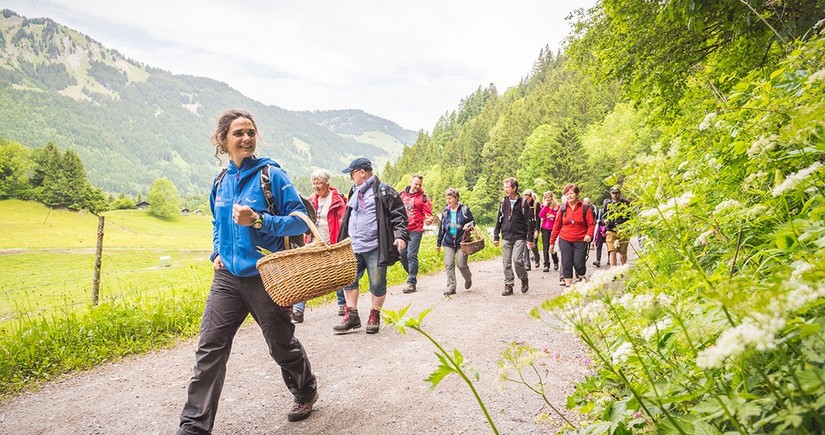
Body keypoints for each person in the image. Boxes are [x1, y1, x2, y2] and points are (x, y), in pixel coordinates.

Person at [176, 109, 318, 435]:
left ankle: (305, 388)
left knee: (281, 345)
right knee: (209, 349)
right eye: (238, 133)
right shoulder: (221, 181)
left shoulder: (271, 175)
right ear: (223, 140)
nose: (246, 138)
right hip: (227, 278)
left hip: (266, 275)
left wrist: (259, 220)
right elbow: (217, 222)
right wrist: (216, 252)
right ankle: (194, 426)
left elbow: (300, 221)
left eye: (251, 132)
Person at [334, 157, 408, 334]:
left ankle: (374, 314)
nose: (351, 178)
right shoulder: (354, 191)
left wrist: (400, 236)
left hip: (375, 246)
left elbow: (399, 216)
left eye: (352, 173)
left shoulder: (384, 191)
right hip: (354, 245)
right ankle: (352, 315)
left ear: (361, 172)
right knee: (349, 279)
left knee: (377, 283)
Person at [292, 169, 347, 323]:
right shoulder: (311, 200)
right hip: (314, 243)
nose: (316, 186)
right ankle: (298, 310)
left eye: (319, 183)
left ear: (327, 183)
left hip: (332, 242)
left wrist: (341, 241)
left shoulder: (336, 199)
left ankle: (342, 303)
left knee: (336, 273)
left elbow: (343, 221)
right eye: (314, 183)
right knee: (306, 274)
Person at [492, 177, 535, 296]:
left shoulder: (523, 203)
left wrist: (530, 239)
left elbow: (528, 222)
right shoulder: (503, 202)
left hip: (519, 236)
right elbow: (498, 220)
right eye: (505, 187)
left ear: (514, 188)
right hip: (506, 235)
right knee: (506, 262)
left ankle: (524, 278)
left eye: (508, 187)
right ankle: (509, 284)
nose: (506, 190)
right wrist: (496, 236)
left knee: (517, 260)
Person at [550, 183, 595, 287]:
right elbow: (557, 226)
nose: (569, 196)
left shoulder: (585, 208)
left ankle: (581, 276)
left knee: (579, 264)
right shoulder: (563, 208)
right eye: (567, 194)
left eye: (571, 193)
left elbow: (591, 224)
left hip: (580, 239)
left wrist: (589, 234)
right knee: (566, 263)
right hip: (565, 238)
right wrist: (552, 242)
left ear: (577, 194)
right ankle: (568, 286)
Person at [435, 188, 475, 295]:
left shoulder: (464, 210)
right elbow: (441, 229)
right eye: (447, 198)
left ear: (456, 198)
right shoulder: (445, 212)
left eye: (450, 198)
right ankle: (451, 286)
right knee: (449, 264)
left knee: (461, 264)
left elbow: (473, 222)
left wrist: (468, 226)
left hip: (462, 242)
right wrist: (438, 243)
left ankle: (468, 278)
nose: (448, 201)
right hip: (448, 242)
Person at [399, 174, 433, 293]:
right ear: (410, 182)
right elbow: (395, 209)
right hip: (402, 229)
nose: (417, 186)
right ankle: (412, 275)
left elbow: (428, 215)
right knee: (402, 254)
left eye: (420, 185)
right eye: (416, 184)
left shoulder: (423, 198)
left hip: (416, 229)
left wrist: (428, 220)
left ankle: (411, 282)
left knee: (411, 255)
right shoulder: (401, 195)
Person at [603, 186, 632, 266]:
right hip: (611, 230)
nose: (615, 195)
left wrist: (628, 226)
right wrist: (605, 221)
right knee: (612, 251)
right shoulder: (607, 204)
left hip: (623, 231)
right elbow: (603, 216)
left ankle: (623, 269)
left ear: (619, 194)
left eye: (616, 193)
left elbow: (631, 216)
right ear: (610, 194)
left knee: (623, 252)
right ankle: (613, 271)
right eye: (613, 193)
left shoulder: (626, 203)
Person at [537, 191, 560, 272]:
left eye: (549, 197)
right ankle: (546, 264)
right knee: (545, 246)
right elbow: (540, 215)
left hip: (554, 228)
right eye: (546, 197)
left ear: (552, 197)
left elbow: (559, 217)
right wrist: (544, 207)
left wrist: (553, 216)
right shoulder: (543, 206)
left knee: (552, 245)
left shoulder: (557, 206)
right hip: (545, 228)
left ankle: (555, 260)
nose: (548, 199)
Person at [521, 189, 541, 271]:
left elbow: (538, 218)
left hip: (534, 226)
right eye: (524, 198)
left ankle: (537, 257)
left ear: (530, 197)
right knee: (526, 245)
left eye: (527, 198)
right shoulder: (523, 205)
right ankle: (527, 264)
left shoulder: (536, 204)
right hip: (526, 227)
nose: (526, 200)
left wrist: (537, 230)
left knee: (532, 245)